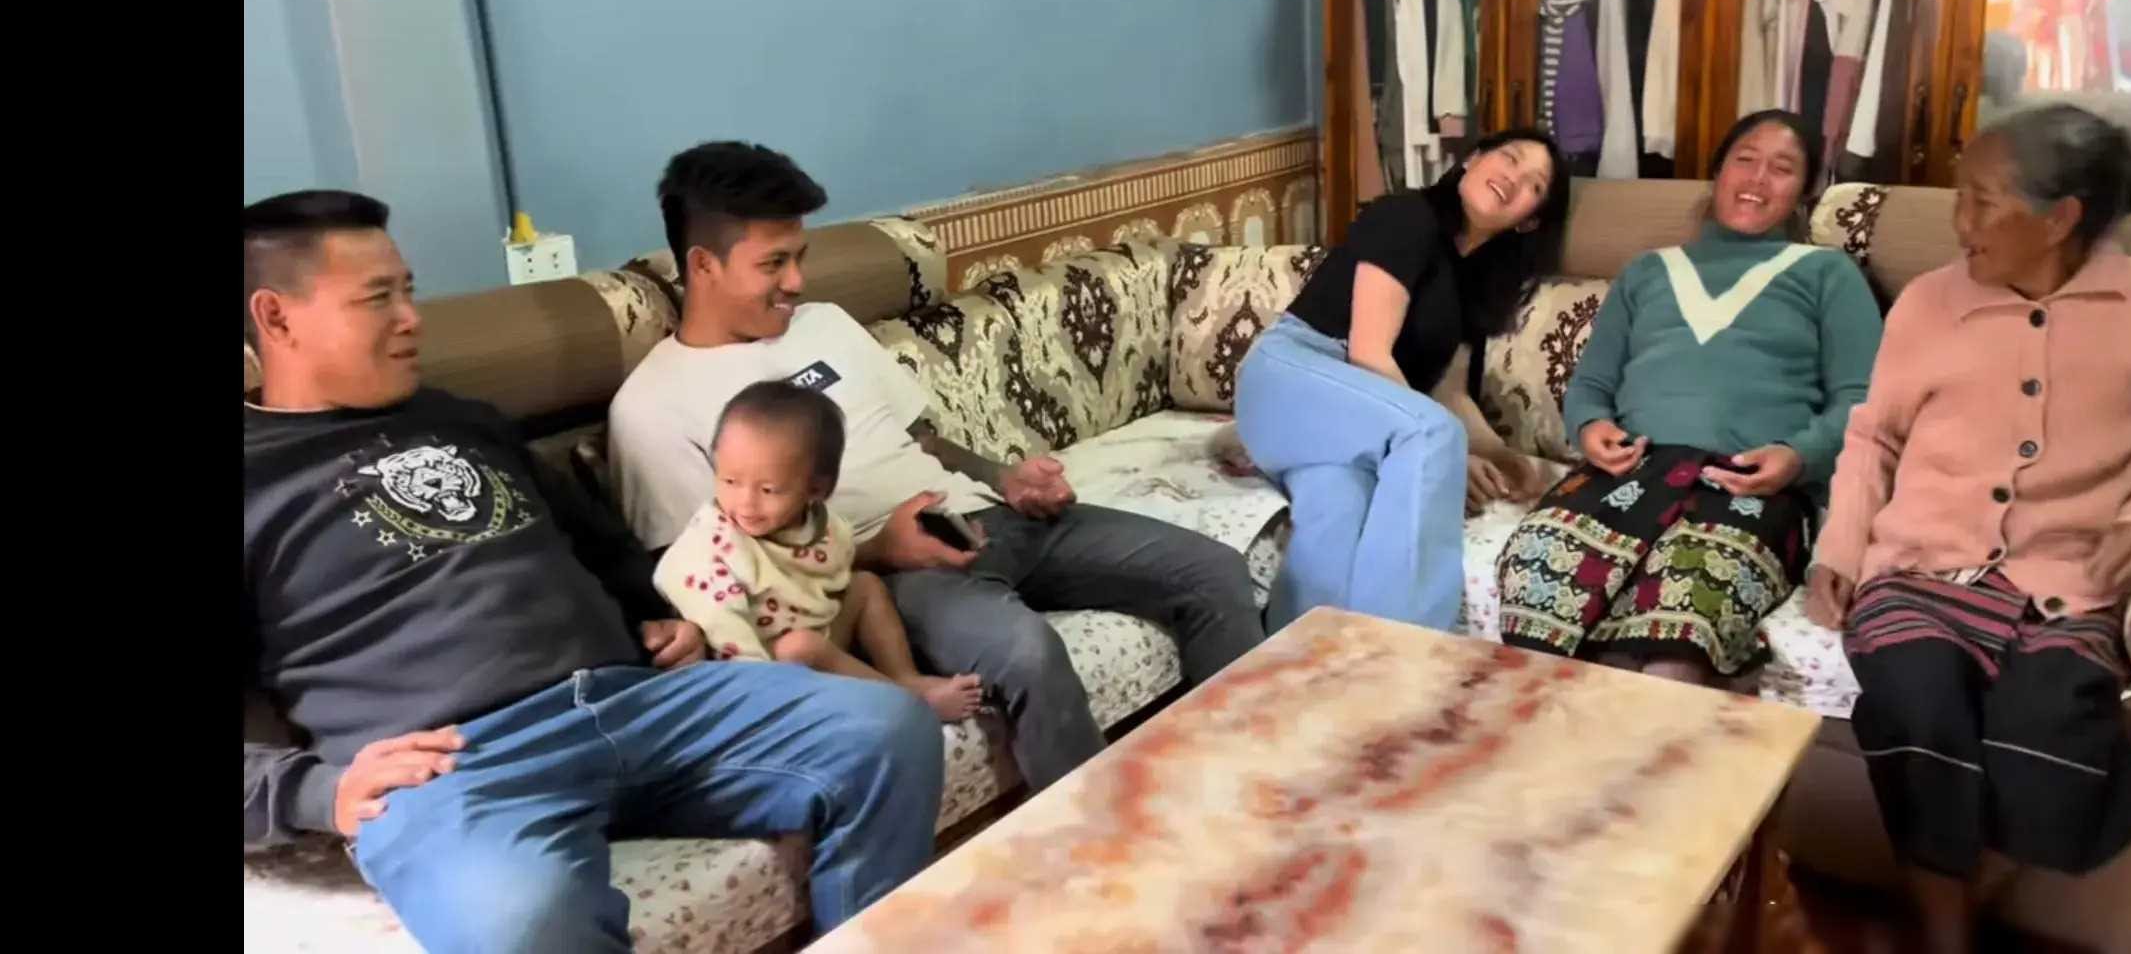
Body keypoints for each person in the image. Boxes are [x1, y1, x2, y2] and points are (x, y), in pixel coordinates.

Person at [242, 190, 942, 952]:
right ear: (276, 318)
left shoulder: (464, 418)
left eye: (408, 291)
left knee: (888, 732)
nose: (412, 318)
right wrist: (318, 792)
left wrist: (656, 617)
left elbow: (601, 545)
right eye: (378, 299)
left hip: (635, 702)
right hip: (456, 766)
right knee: (524, 923)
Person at [608, 142, 1265, 792]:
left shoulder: (825, 324)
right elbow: (712, 578)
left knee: (1214, 571)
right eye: (773, 264)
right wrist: (878, 550)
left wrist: (1005, 477)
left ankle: (1248, 788)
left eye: (799, 257)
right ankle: (1102, 841)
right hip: (896, 577)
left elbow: (924, 439)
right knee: (1028, 653)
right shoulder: (652, 408)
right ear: (704, 264)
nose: (797, 283)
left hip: (988, 518)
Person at [1800, 104, 2131, 954]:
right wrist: (1839, 550)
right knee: (1915, 701)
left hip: (2066, 581)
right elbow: (1873, 438)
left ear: (2060, 217)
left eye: (1982, 201)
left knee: (2051, 725)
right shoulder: (1928, 302)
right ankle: (1945, 938)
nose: (1958, 222)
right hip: (1919, 570)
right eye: (1958, 195)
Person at [1495, 110, 1882, 686]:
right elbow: (1592, 386)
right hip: (1628, 477)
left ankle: (1652, 739)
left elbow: (1863, 400)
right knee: (1540, 579)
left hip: (1749, 486)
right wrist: (1591, 426)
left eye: (1782, 169)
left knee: (1679, 633)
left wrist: (1799, 456)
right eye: (1744, 160)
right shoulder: (1646, 272)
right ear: (1718, 172)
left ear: (1804, 192)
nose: (1757, 179)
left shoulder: (1827, 273)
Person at [1233, 128, 1570, 633]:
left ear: (1530, 220)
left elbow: (1449, 393)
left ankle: (1294, 665)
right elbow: (1368, 352)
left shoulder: (1476, 282)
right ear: (1473, 159)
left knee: (1339, 510)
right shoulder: (1407, 217)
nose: (1513, 177)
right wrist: (1449, 454)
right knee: (1434, 434)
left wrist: (1506, 459)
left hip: (1352, 425)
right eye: (1509, 157)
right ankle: (1407, 654)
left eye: (1534, 185)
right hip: (1291, 378)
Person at [654, 380, 984, 720]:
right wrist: (763, 691)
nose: (745, 502)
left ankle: (904, 676)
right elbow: (723, 631)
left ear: (816, 490)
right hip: (767, 672)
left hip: (819, 637)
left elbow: (836, 568)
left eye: (768, 490)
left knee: (865, 586)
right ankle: (910, 703)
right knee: (799, 646)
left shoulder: (820, 524)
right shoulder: (710, 546)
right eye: (729, 481)